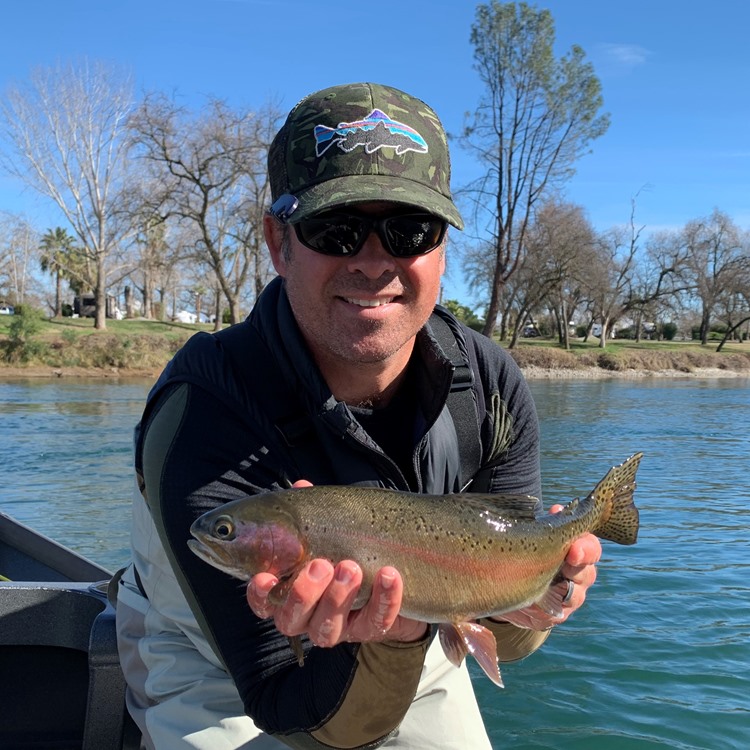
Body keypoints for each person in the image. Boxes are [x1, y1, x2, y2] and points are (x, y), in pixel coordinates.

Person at [115, 81, 601, 750]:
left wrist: (546, 597)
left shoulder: (488, 386)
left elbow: (504, 628)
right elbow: (284, 704)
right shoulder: (203, 412)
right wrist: (396, 635)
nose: (373, 263)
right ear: (278, 242)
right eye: (335, 230)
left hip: (421, 636)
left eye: (409, 230)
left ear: (441, 250)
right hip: (216, 676)